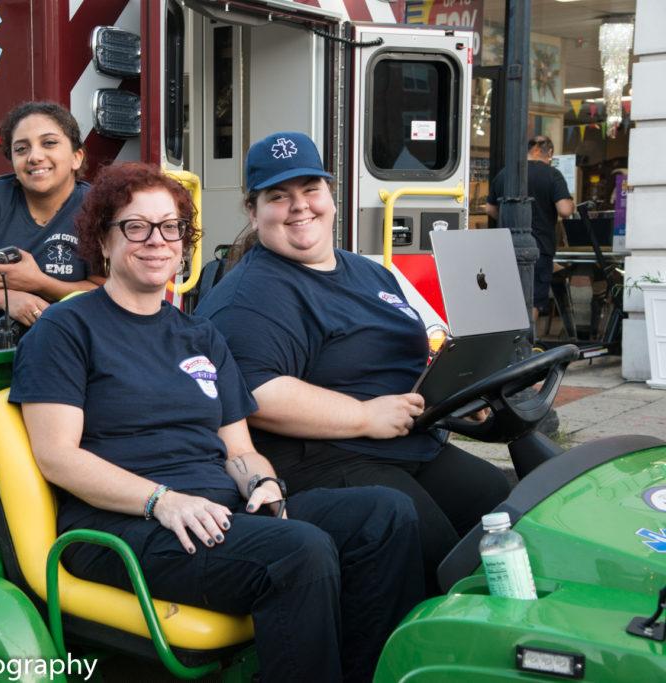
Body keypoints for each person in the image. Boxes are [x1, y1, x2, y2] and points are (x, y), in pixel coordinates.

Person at [10, 162, 424, 682]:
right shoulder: (67, 327)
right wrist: (161, 499)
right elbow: (58, 456)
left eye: (170, 228)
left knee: (385, 515)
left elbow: (239, 449)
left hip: (215, 515)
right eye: (135, 227)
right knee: (298, 551)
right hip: (121, 526)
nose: (156, 241)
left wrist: (262, 481)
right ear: (103, 240)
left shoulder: (200, 335)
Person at [196, 132, 511, 594]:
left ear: (330, 195)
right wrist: (364, 415)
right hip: (326, 458)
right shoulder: (251, 297)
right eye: (278, 196)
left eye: (310, 190)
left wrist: (457, 392)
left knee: (503, 506)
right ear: (253, 210)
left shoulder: (369, 271)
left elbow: (413, 350)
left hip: (410, 444)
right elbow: (254, 392)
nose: (299, 206)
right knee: (445, 560)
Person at [0, 101, 99, 348]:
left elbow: (106, 294)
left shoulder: (96, 207)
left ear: (77, 157)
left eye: (49, 143)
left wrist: (40, 283)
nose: (34, 157)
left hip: (66, 345)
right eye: (21, 149)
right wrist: (8, 299)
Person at [486, 135, 575, 320]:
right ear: (548, 152)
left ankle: (510, 342)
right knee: (533, 298)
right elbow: (565, 210)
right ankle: (528, 343)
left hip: (506, 246)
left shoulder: (506, 174)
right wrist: (571, 203)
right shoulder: (552, 175)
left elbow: (490, 208)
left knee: (509, 297)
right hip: (539, 246)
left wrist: (510, 219)